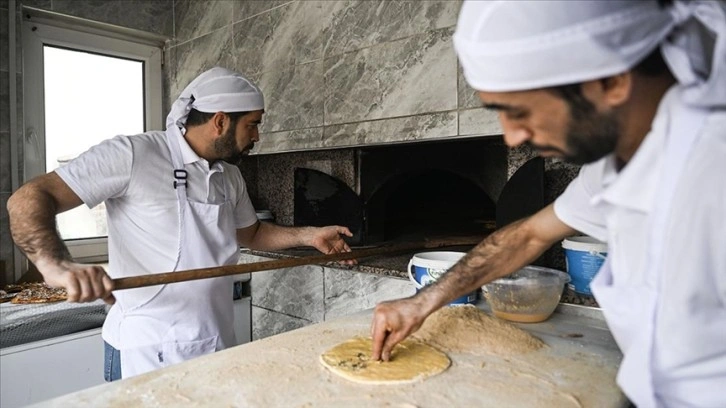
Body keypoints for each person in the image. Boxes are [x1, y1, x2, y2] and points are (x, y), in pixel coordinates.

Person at [370, 1, 725, 406]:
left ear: (611, 80)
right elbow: (528, 235)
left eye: (518, 111)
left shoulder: (712, 173)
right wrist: (422, 303)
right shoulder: (621, 160)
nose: (512, 138)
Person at [7, 67, 354, 380]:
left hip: (215, 339)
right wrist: (54, 265)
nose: (257, 136)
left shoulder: (228, 176)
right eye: (253, 124)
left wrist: (310, 236)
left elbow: (253, 233)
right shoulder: (133, 155)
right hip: (146, 350)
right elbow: (28, 198)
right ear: (220, 121)